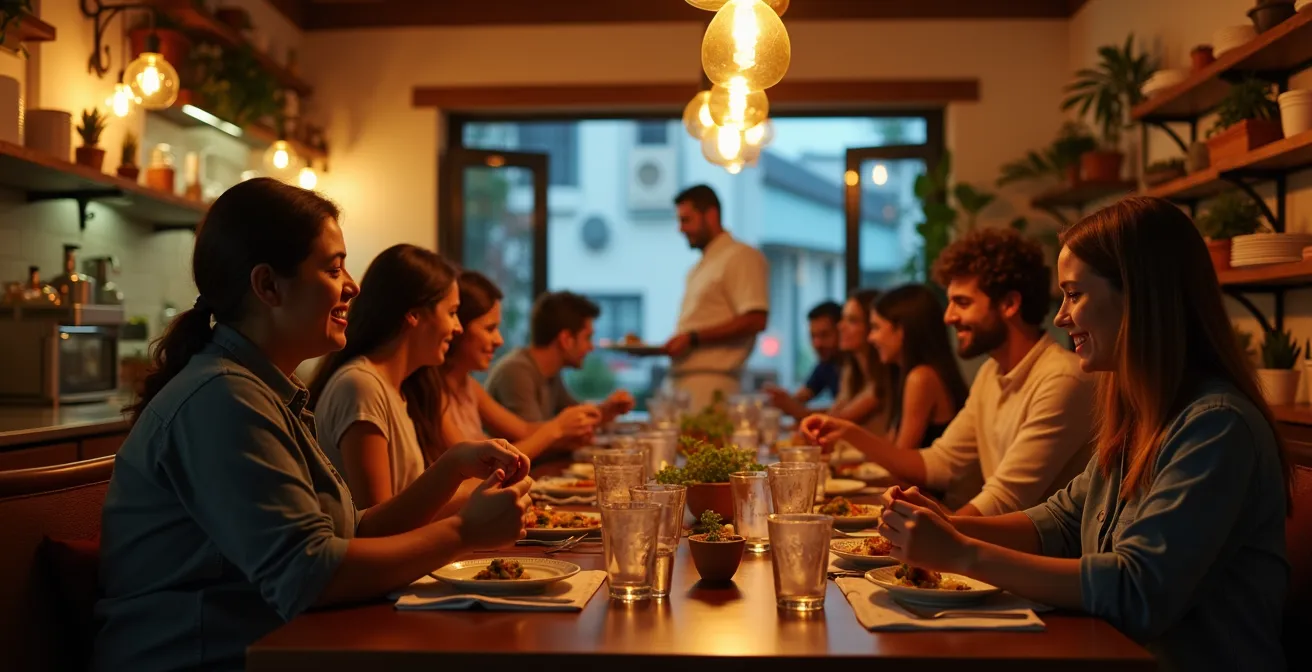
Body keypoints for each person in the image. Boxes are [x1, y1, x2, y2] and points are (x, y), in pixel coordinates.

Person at [93, 180, 533, 672]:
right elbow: (310, 574)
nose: (353, 286)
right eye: (333, 267)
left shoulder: (265, 389)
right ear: (267, 286)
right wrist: (463, 533)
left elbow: (352, 532)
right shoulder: (224, 397)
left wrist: (450, 468)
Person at [875, 197, 1291, 672]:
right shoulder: (1141, 413)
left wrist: (960, 552)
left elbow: (1137, 590)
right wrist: (949, 525)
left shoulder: (1215, 425)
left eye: (1073, 295)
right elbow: (1064, 521)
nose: (1060, 317)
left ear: (1136, 294)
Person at [803, 227, 1095, 515]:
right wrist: (848, 431)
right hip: (996, 551)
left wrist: (940, 534)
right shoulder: (991, 374)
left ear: (1009, 303)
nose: (948, 316)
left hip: (1033, 559)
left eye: (962, 303)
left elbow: (1005, 500)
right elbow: (941, 462)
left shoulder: (1060, 378)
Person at [308, 244, 463, 507]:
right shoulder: (361, 386)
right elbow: (378, 519)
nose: (458, 327)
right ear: (413, 314)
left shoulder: (399, 390)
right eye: (451, 313)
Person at [440, 271, 600, 458]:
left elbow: (523, 430)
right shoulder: (433, 392)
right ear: (459, 327)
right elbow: (473, 466)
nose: (499, 340)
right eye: (490, 328)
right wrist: (558, 428)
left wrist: (567, 429)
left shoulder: (469, 386)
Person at [661, 184, 769, 410]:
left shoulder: (741, 256)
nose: (681, 229)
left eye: (686, 220)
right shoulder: (701, 266)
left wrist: (693, 338)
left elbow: (756, 319)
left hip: (711, 385)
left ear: (711, 215)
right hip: (684, 383)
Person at [485, 290, 635, 425]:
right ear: (566, 340)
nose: (591, 347)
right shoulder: (516, 372)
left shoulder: (550, 373)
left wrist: (607, 410)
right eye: (587, 338)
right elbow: (533, 439)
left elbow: (575, 418)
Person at [771, 289, 890, 434]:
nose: (841, 326)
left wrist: (790, 407)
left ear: (871, 327)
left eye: (851, 320)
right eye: (813, 336)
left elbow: (835, 422)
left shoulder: (883, 378)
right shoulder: (851, 370)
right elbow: (834, 413)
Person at [867, 284, 969, 449]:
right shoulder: (907, 374)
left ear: (901, 330)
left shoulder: (921, 378)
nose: (870, 338)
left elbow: (900, 459)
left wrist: (848, 433)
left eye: (876, 327)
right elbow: (889, 444)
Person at [763, 300, 842, 411]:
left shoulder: (854, 366)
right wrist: (782, 400)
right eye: (812, 336)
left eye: (824, 335)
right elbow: (799, 398)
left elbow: (843, 415)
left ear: (842, 330)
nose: (817, 344)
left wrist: (793, 407)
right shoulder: (826, 365)